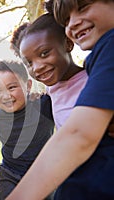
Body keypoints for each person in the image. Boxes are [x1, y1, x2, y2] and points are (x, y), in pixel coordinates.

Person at [6, 0, 114, 199]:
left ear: (67, 45)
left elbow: (78, 135)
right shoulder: (56, 83)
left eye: (83, 7)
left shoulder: (97, 66)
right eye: (66, 20)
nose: (72, 23)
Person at [0, 60, 54, 200]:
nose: (5, 96)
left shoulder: (43, 104)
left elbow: (65, 92)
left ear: (28, 85)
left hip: (43, 174)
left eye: (11, 87)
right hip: (10, 173)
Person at [11, 1, 88, 130]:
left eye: (44, 53)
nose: (37, 67)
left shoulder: (91, 80)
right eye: (29, 63)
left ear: (68, 44)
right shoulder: (51, 89)